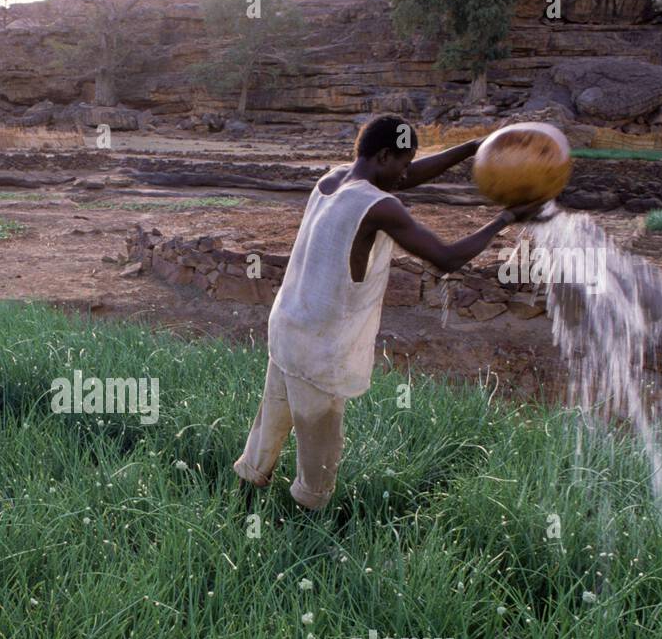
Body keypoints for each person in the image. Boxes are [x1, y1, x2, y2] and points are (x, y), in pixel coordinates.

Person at [234, 114, 549, 511]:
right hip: (320, 348)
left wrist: (471, 149)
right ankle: (307, 523)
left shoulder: (332, 180)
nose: (407, 174)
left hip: (288, 327)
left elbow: (405, 176)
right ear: (384, 156)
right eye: (403, 163)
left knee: (270, 424)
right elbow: (446, 258)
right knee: (320, 449)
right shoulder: (380, 206)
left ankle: (246, 492)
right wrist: (506, 218)